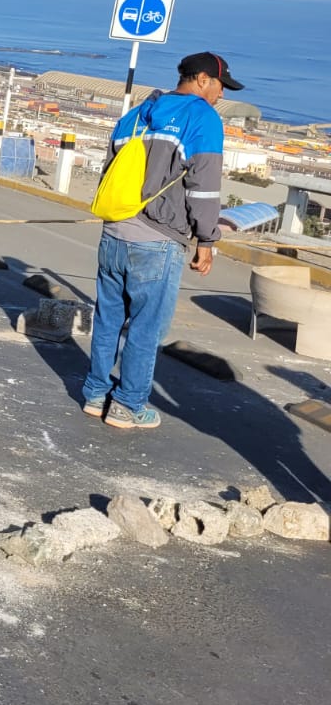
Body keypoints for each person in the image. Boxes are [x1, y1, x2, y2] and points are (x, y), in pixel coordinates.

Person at [80, 51, 241, 430]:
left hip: (114, 232)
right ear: (203, 79)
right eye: (220, 86)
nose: (220, 95)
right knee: (146, 326)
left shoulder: (137, 114)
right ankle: (128, 404)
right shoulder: (202, 117)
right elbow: (203, 187)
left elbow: (110, 172)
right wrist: (206, 240)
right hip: (158, 240)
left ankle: (95, 394)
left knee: (108, 319)